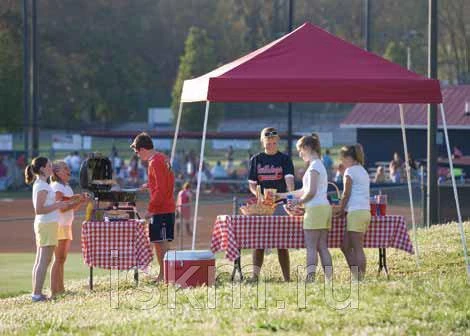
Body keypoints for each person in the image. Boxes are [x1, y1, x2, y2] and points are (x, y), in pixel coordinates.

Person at [279, 134, 332, 282]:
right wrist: (281, 195)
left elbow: (311, 192)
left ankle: (310, 279)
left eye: (300, 150)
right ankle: (329, 280)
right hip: (323, 208)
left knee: (311, 247)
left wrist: (298, 202)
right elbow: (304, 190)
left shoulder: (314, 166)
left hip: (315, 210)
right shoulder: (317, 165)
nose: (300, 154)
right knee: (322, 246)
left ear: (307, 148)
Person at [248, 127, 295, 281]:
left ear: (278, 142)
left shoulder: (285, 159)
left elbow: (289, 180)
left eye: (274, 143)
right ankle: (255, 276)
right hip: (263, 205)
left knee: (282, 243)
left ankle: (287, 278)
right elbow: (252, 184)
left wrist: (291, 194)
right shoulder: (256, 159)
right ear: (263, 142)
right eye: (268, 143)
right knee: (259, 242)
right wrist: (259, 195)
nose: (271, 145)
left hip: (280, 203)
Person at [131, 132, 176, 283]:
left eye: (137, 152)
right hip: (166, 206)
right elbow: (164, 182)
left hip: (161, 208)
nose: (138, 155)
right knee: (161, 242)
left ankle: (165, 276)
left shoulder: (154, 161)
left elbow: (161, 189)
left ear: (142, 149)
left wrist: (151, 209)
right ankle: (165, 275)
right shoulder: (162, 158)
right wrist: (149, 185)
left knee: (161, 243)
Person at [25, 157, 71, 302]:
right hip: (47, 225)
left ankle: (36, 293)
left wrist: (57, 205)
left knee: (41, 260)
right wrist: (58, 205)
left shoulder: (41, 184)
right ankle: (37, 294)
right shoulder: (43, 186)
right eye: (49, 165)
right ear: (43, 169)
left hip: (46, 224)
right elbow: (39, 209)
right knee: (44, 260)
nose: (52, 167)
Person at [333, 144, 371, 281]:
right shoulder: (363, 171)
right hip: (364, 211)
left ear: (349, 157)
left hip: (356, 213)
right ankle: (357, 276)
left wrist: (340, 209)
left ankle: (360, 278)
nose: (342, 162)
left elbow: (346, 194)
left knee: (356, 247)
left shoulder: (349, 172)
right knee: (345, 246)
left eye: (343, 159)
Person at [49, 161, 86, 297]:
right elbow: (62, 207)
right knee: (58, 259)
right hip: (59, 224)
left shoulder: (67, 187)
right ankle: (54, 291)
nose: (68, 170)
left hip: (66, 225)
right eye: (65, 169)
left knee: (61, 259)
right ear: (57, 172)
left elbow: (72, 207)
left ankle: (61, 289)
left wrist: (80, 201)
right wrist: (76, 201)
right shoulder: (57, 186)